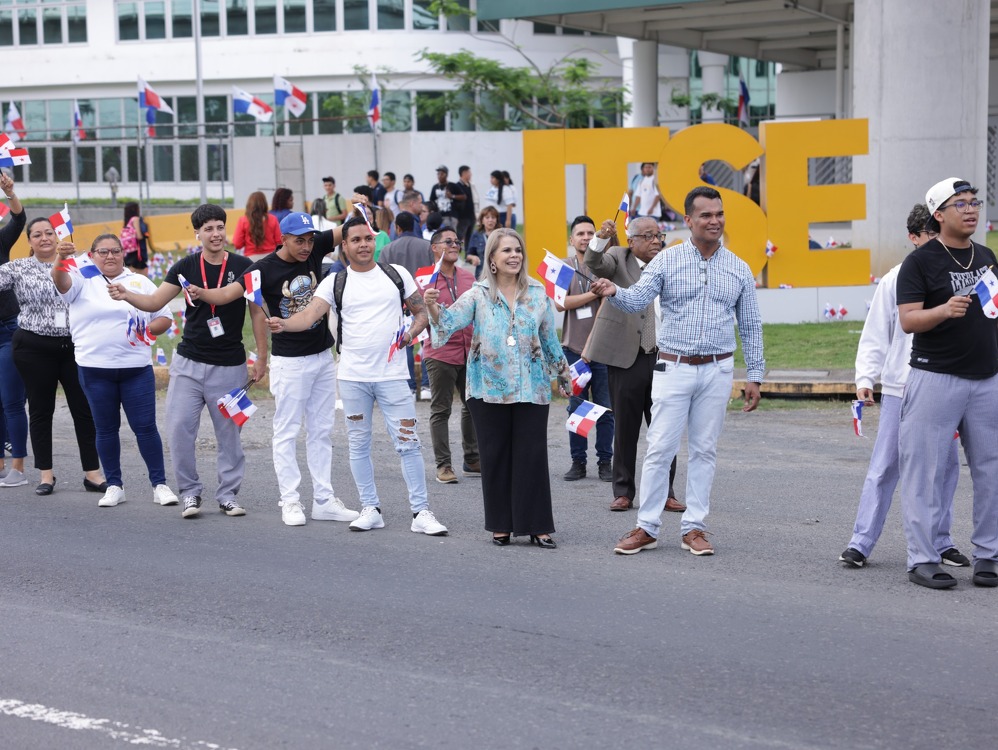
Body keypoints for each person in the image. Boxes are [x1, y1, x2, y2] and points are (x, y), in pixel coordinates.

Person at [592, 186, 764, 557]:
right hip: (674, 367)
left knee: (704, 451)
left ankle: (695, 528)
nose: (714, 221)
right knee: (659, 448)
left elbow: (750, 325)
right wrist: (612, 291)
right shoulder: (667, 261)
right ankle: (647, 526)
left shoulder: (738, 268)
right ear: (688, 221)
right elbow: (637, 298)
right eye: (706, 215)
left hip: (717, 370)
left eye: (719, 214)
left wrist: (756, 374)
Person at [267, 216, 449, 537]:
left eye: (368, 238)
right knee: (358, 443)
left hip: (393, 376)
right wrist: (283, 325)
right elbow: (310, 315)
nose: (363, 244)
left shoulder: (396, 274)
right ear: (345, 246)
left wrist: (411, 332)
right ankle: (370, 508)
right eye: (356, 240)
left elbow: (420, 312)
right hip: (352, 378)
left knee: (408, 443)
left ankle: (421, 512)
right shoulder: (334, 282)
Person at [187, 211, 359, 527]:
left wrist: (362, 211)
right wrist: (202, 293)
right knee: (287, 431)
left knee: (321, 431)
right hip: (290, 362)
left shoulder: (316, 245)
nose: (307, 247)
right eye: (299, 241)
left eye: (310, 240)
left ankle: (323, 500)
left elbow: (346, 229)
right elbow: (228, 294)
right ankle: (290, 501)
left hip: (322, 357)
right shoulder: (263, 269)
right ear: (283, 239)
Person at [110, 204, 269, 519]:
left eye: (220, 227)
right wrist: (126, 294)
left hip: (229, 365)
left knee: (229, 434)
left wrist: (261, 356)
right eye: (208, 228)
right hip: (188, 365)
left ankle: (228, 496)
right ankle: (190, 494)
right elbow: (156, 301)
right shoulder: (184, 266)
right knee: (179, 428)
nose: (215, 234)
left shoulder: (245, 266)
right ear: (197, 233)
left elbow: (256, 312)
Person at [839, 205, 968, 570]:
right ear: (914, 238)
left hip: (946, 385)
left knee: (944, 469)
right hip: (901, 387)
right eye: (930, 236)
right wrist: (866, 378)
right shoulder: (896, 279)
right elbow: (876, 333)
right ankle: (861, 542)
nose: (938, 244)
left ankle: (941, 542)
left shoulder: (960, 276)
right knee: (885, 467)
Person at [426, 228, 571, 548]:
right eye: (506, 250)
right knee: (495, 456)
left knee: (531, 457)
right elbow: (448, 324)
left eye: (518, 249)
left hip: (531, 389)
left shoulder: (536, 292)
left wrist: (563, 374)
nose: (514, 255)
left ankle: (537, 526)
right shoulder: (478, 294)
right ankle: (501, 524)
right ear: (492, 258)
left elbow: (549, 338)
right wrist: (432, 306)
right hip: (488, 390)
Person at [897, 177, 998, 590]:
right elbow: (908, 320)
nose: (971, 209)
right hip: (935, 377)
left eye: (975, 202)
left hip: (986, 379)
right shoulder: (920, 262)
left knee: (990, 471)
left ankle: (988, 555)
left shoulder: (987, 256)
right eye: (961, 204)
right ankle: (923, 558)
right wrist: (941, 310)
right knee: (926, 471)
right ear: (939, 215)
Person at [52, 234, 177, 508]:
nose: (110, 256)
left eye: (116, 251)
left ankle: (160, 485)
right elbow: (60, 283)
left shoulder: (139, 281)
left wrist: (146, 330)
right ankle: (115, 485)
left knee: (145, 428)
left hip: (136, 369)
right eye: (103, 252)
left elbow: (165, 317)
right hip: (95, 370)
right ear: (93, 255)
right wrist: (61, 258)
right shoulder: (82, 279)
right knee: (106, 429)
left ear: (123, 254)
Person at [0, 216, 105, 496]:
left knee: (83, 409)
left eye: (49, 233)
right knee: (40, 410)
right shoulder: (17, 267)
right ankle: (46, 475)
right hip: (33, 347)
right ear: (29, 241)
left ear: (58, 236)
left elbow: (103, 288)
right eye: (37, 235)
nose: (45, 238)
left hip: (74, 346)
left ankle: (92, 473)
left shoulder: (78, 264)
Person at [585, 216, 684, 513]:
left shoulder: (669, 262)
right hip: (626, 356)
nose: (656, 241)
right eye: (649, 235)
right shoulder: (618, 257)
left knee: (664, 428)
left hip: (664, 355)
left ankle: (665, 491)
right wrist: (602, 236)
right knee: (626, 428)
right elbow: (594, 262)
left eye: (659, 235)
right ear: (632, 240)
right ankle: (623, 491)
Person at [420, 227, 480, 484]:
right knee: (441, 410)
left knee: (473, 407)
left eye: (457, 241)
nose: (455, 245)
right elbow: (416, 315)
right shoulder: (423, 279)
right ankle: (443, 465)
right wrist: (426, 303)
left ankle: (472, 459)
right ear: (435, 247)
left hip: (470, 350)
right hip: (441, 352)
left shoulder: (469, 278)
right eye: (448, 241)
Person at [558, 216, 614, 483]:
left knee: (605, 408)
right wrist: (594, 293)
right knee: (576, 407)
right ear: (572, 239)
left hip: (602, 350)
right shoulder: (565, 268)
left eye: (590, 233)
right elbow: (560, 303)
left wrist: (593, 343)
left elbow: (610, 304)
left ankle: (605, 461)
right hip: (572, 349)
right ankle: (578, 462)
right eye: (579, 233)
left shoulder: (606, 266)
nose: (585, 237)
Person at [379, 212, 434, 397]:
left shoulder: (388, 249)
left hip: (399, 302)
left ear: (397, 228)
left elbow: (382, 278)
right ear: (414, 225)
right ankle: (426, 386)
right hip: (423, 299)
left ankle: (409, 386)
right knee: (427, 341)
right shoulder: (426, 247)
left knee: (406, 342)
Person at [0, 172, 28, 487]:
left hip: (8, 329)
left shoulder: (1, 240)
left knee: (10, 399)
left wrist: (10, 193)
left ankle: (17, 467)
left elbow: (19, 221)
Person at [233, 191, 281, 259]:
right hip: (271, 258)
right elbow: (279, 241)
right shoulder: (273, 219)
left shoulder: (243, 220)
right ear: (264, 203)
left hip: (251, 259)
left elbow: (237, 244)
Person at [465, 206, 497, 279]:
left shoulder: (501, 235)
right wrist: (473, 258)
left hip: (498, 274)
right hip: (481, 274)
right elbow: (468, 255)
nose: (490, 220)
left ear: (497, 220)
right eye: (487, 217)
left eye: (493, 217)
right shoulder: (476, 235)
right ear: (482, 220)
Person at [120, 201, 149, 277]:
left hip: (129, 251)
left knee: (131, 271)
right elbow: (139, 236)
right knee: (142, 274)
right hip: (137, 251)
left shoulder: (127, 221)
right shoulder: (135, 219)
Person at [453, 165, 476, 246]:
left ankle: (468, 256)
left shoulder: (471, 186)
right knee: (459, 237)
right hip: (462, 218)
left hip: (471, 217)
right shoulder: (457, 186)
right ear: (464, 173)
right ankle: (456, 255)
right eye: (469, 172)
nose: (471, 174)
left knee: (470, 239)